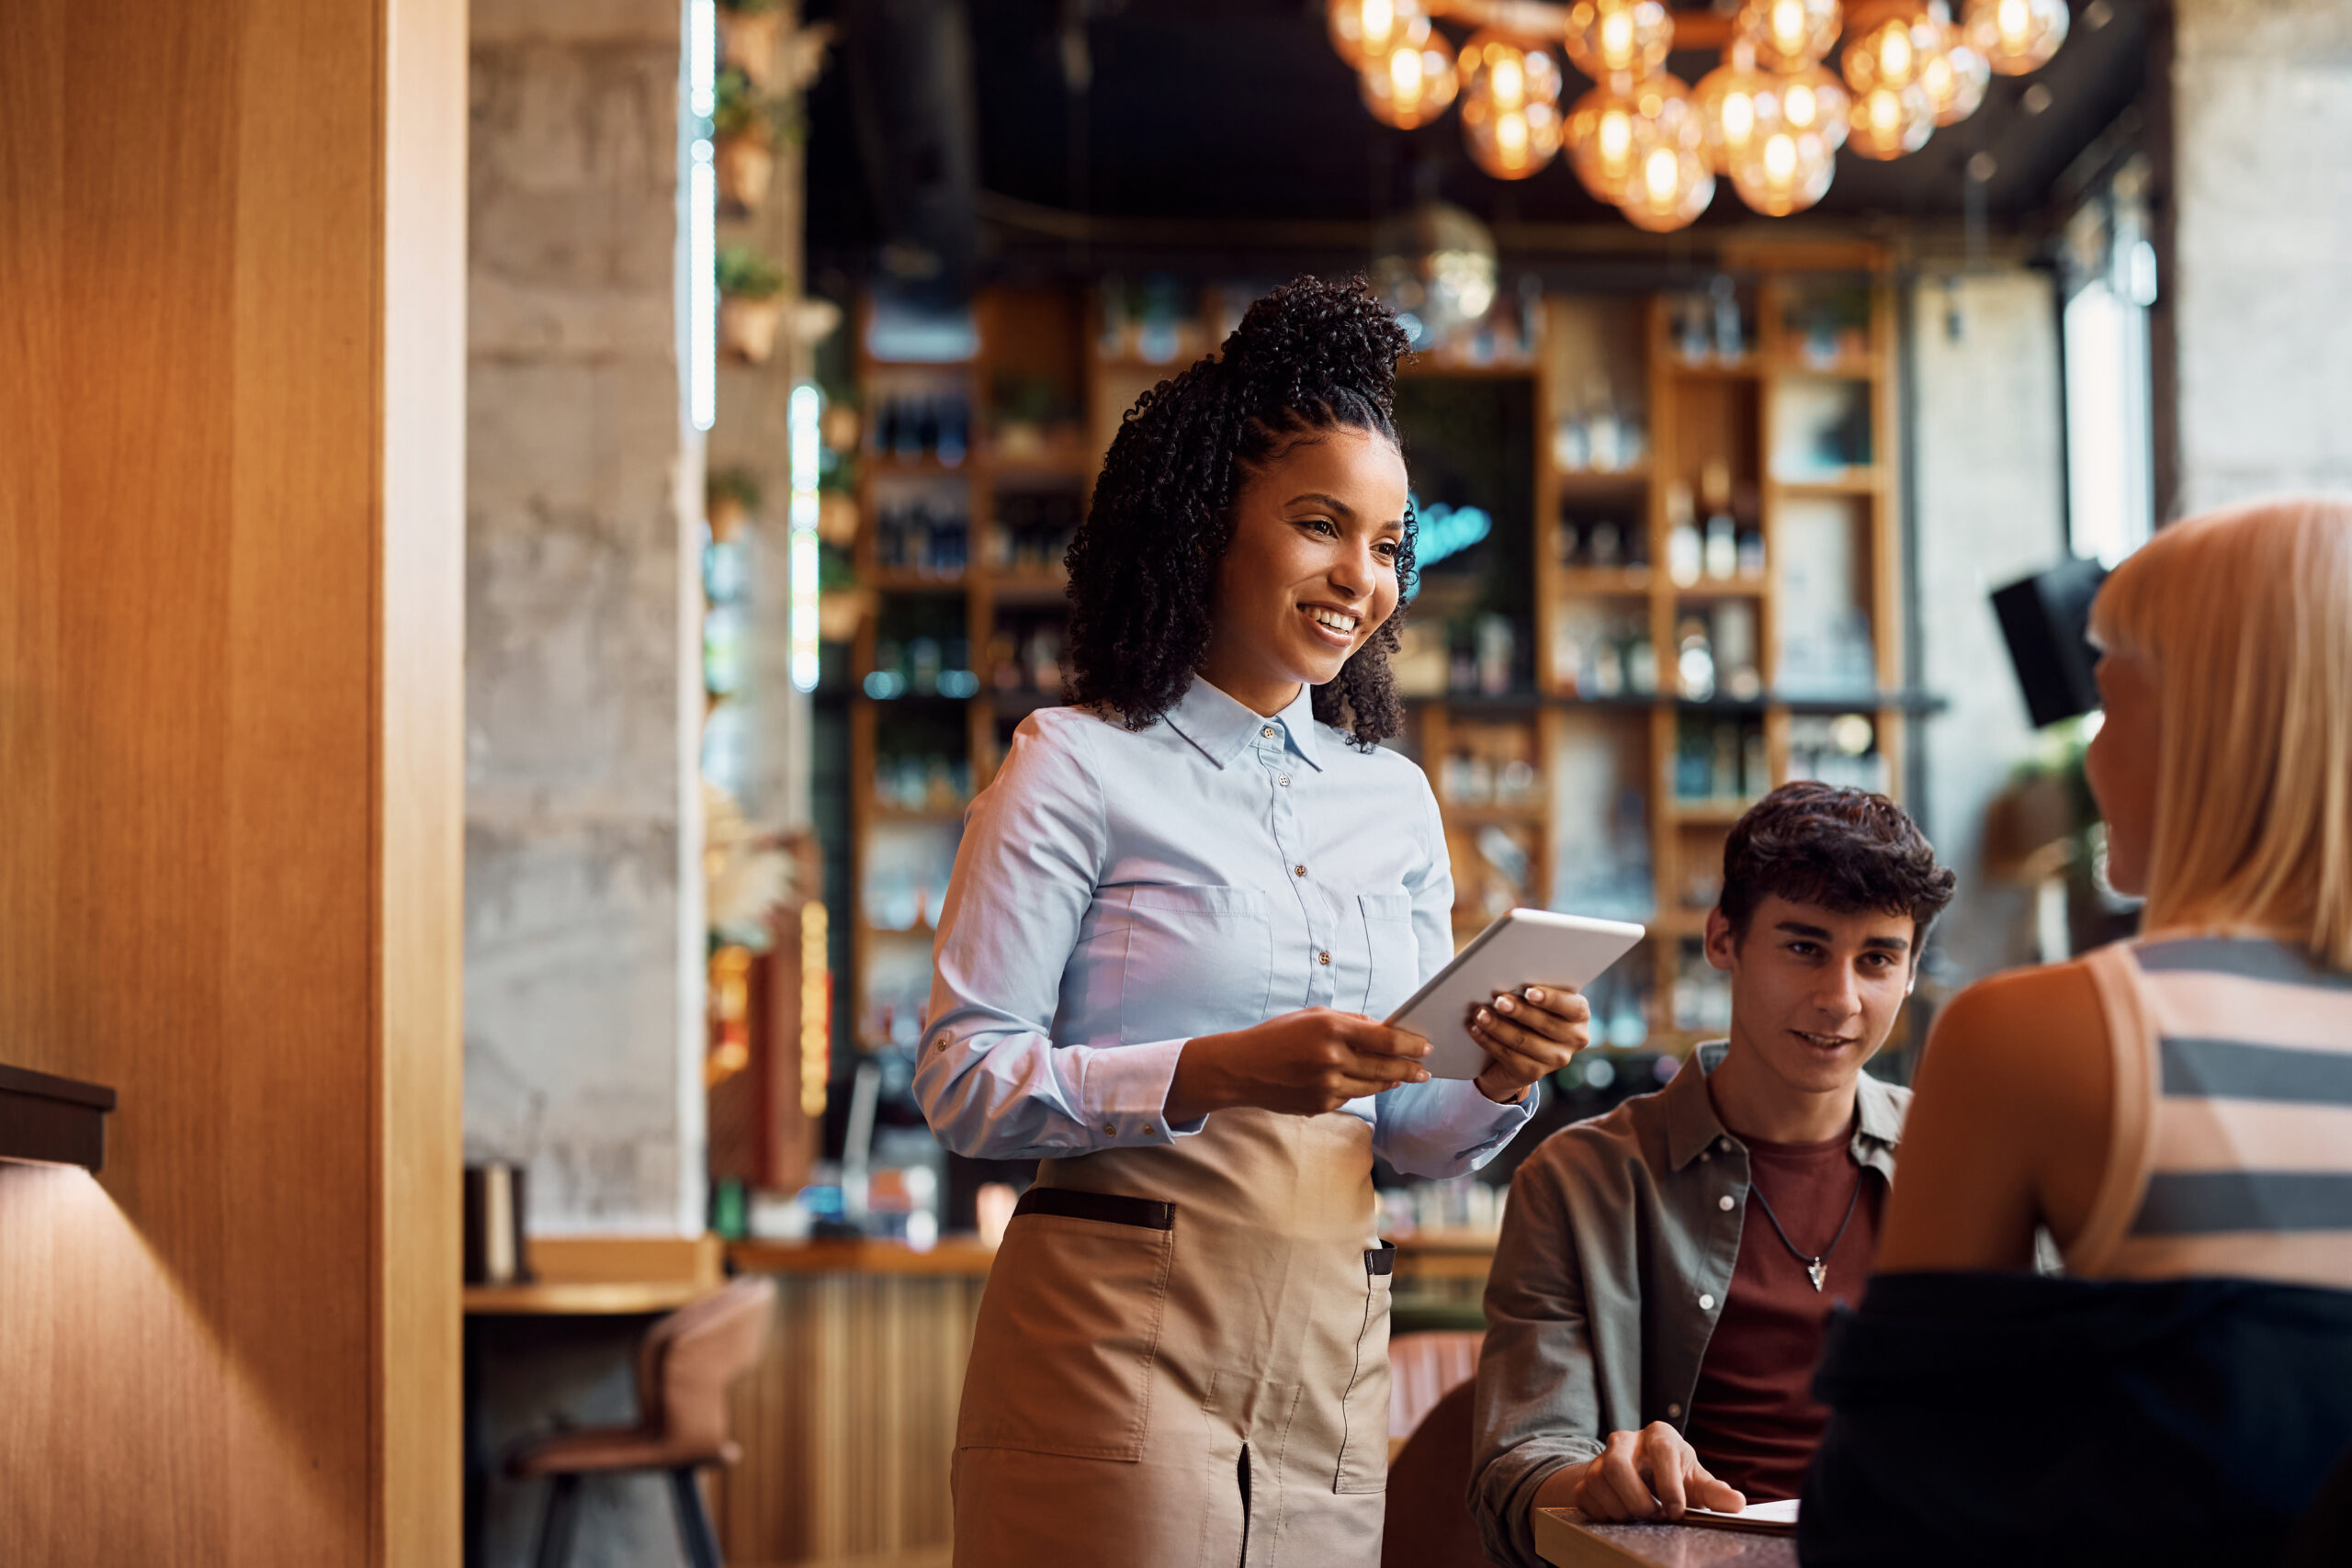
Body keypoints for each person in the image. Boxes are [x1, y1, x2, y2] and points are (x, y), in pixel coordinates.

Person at [913, 276, 1591, 1568]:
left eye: (1390, 543)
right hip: (1116, 1348)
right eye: (1321, 524)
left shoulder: (1394, 799)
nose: (1363, 576)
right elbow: (963, 1079)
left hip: (1330, 1357)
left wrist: (1500, 1067)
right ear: (1205, 523)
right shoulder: (1074, 762)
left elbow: (1408, 1132)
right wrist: (1219, 1070)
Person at [1802, 498, 2352, 1567]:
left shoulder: (2044, 1034)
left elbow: (1887, 1512)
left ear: (2204, 726)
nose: (2088, 764)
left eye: (2108, 702)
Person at [1469, 783, 1956, 1568]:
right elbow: (1516, 1469)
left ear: (1911, 967)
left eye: (1877, 958)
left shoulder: (1960, 1156)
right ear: (1722, 937)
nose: (1840, 1000)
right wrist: (1598, 1476)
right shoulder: (1580, 1179)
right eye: (1804, 946)